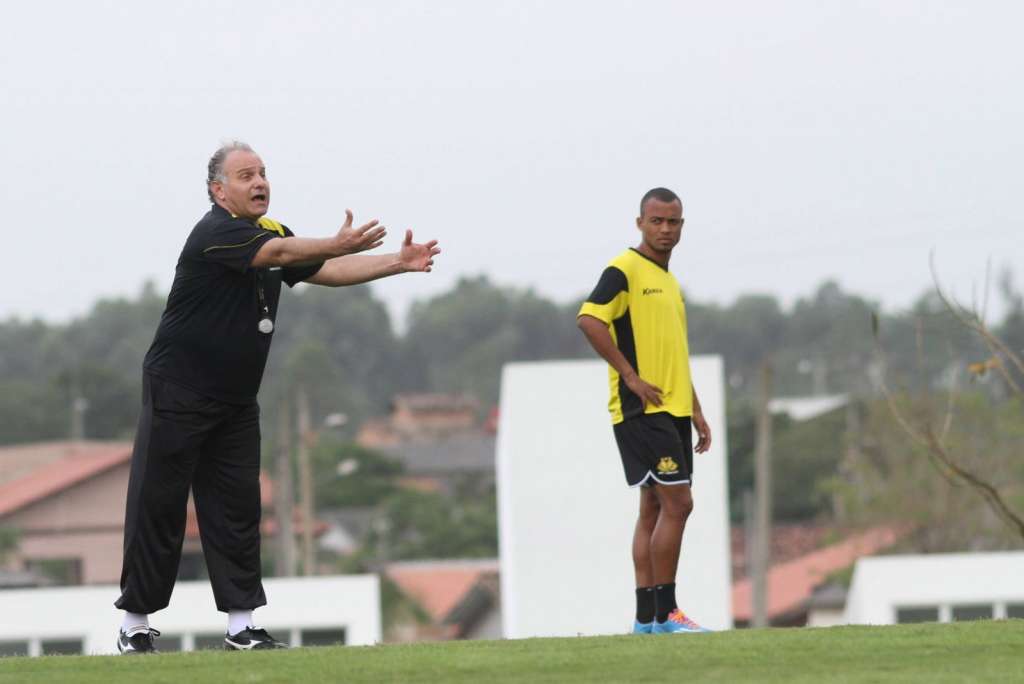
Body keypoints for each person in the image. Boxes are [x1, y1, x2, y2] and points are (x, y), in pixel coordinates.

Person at [115, 141, 441, 654]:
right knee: (158, 505)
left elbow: (321, 270)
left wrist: (394, 264)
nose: (259, 182)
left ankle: (241, 627)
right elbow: (287, 255)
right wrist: (336, 243)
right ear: (218, 191)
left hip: (236, 399)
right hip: (178, 389)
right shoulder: (215, 233)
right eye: (246, 176)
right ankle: (135, 624)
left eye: (263, 173)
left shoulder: (271, 232)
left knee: (238, 510)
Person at [576, 187, 712, 634]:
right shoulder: (624, 269)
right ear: (640, 223)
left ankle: (646, 621)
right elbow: (590, 319)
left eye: (673, 222)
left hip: (672, 409)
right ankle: (668, 613)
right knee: (680, 503)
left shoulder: (671, 283)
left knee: (654, 507)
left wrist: (695, 409)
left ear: (682, 226)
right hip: (642, 409)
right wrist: (630, 377)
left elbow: (674, 352)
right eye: (657, 221)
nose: (665, 229)